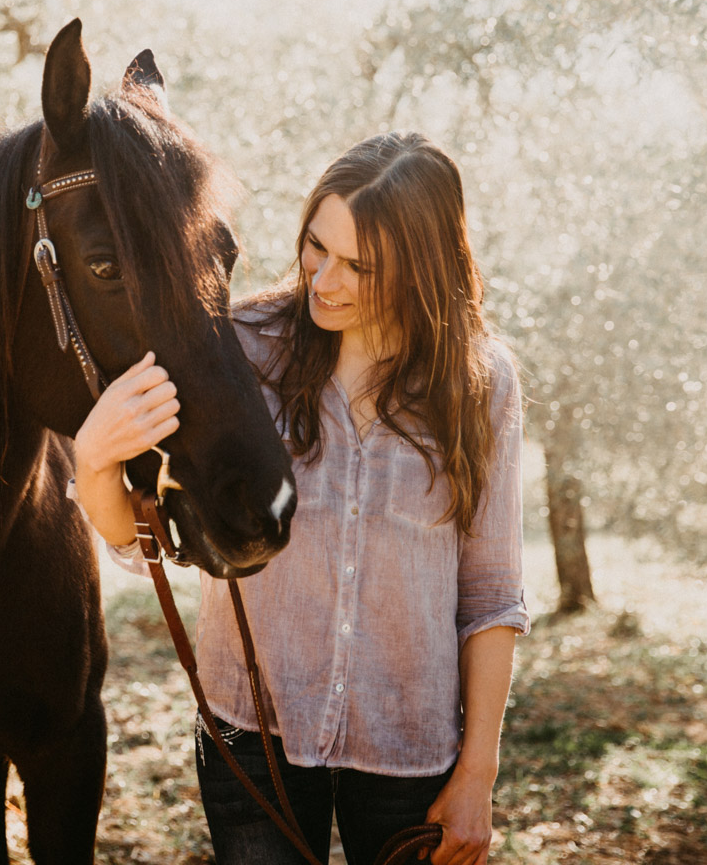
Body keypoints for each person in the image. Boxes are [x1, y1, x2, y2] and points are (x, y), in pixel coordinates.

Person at [72, 132, 529, 865]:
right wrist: (93, 461)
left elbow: (491, 596)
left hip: (409, 746)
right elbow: (145, 542)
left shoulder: (482, 386)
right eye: (317, 246)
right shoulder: (241, 348)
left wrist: (478, 773)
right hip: (250, 738)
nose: (324, 279)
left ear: (423, 268)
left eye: (360, 266)